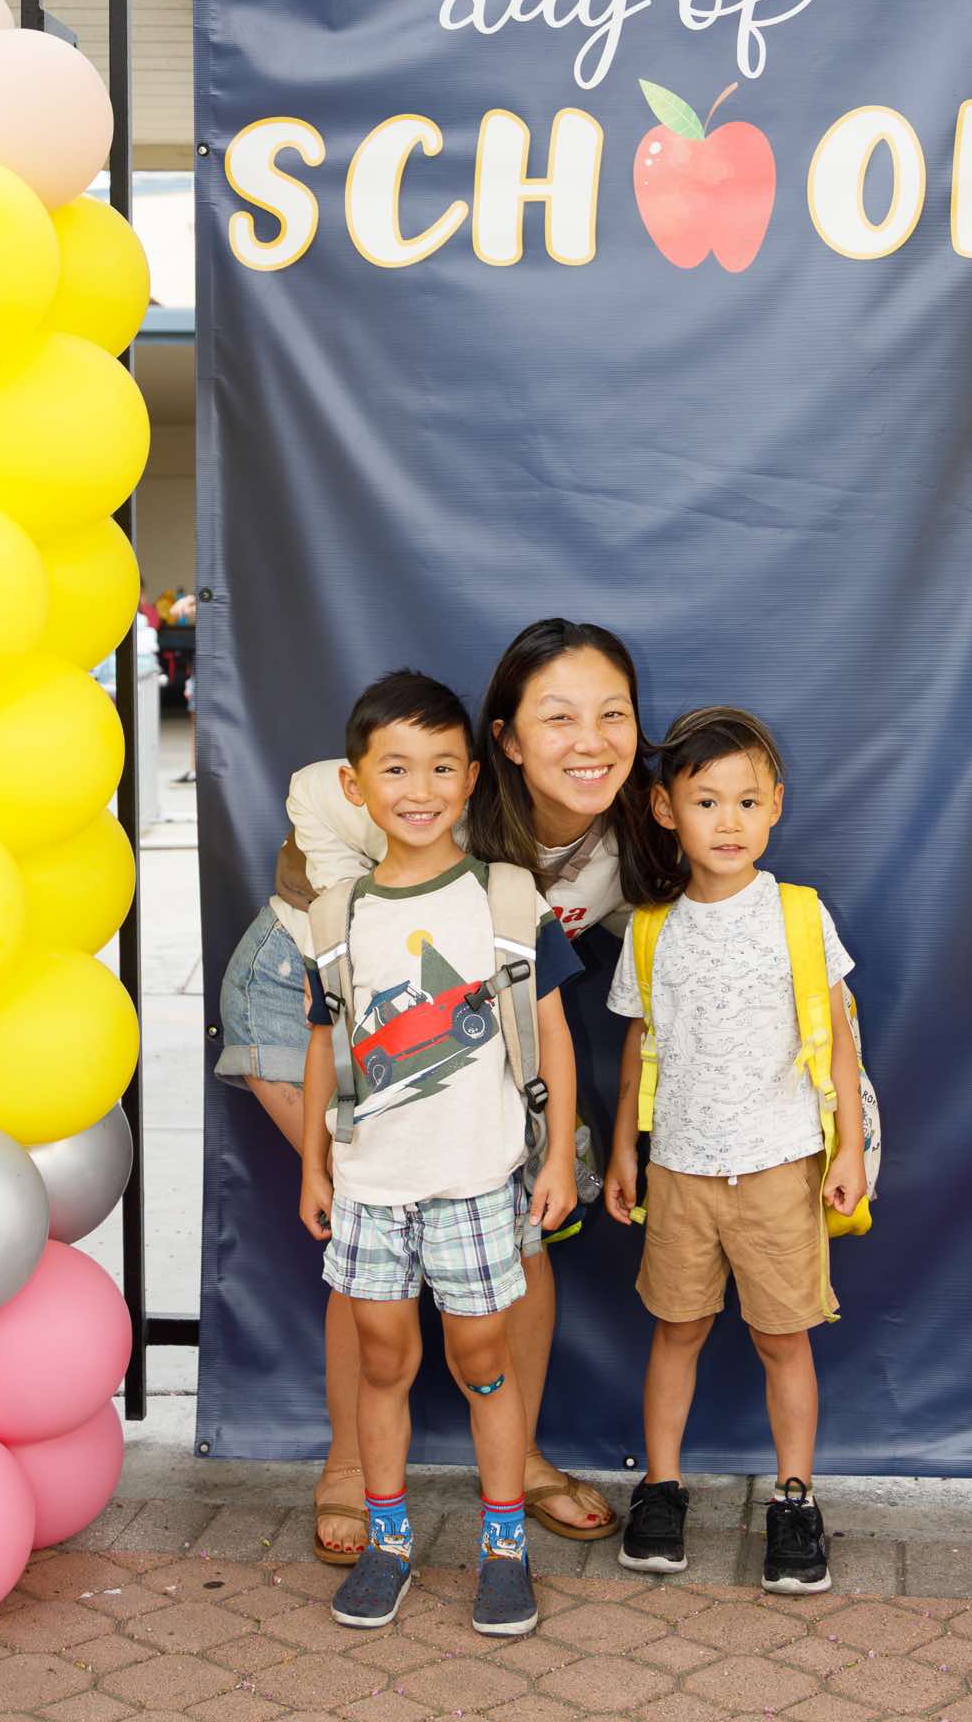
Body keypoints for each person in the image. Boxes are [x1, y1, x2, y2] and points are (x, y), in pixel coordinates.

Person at [216, 617, 674, 1558]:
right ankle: (349, 1467)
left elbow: (649, 946)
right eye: (557, 717)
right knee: (370, 1213)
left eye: (612, 715)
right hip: (309, 1001)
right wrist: (354, 920)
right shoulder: (435, 797)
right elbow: (314, 793)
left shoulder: (623, 844)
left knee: (522, 1235)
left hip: (466, 1033)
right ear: (504, 740)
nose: (589, 741)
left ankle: (523, 1458)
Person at [298, 669, 579, 1637]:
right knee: (382, 1362)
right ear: (354, 783)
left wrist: (557, 1158)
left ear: (471, 778)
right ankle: (388, 1541)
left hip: (475, 1184)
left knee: (482, 1359)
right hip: (370, 1188)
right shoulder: (337, 914)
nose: (418, 789)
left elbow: (552, 1035)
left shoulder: (507, 899)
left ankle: (503, 1547)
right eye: (395, 768)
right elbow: (324, 1043)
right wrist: (313, 1164)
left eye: (441, 767)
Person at [603, 706, 867, 1595]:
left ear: (775, 806)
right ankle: (660, 1488)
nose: (729, 822)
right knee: (675, 1329)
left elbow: (839, 1036)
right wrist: (623, 1153)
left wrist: (848, 1150)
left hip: (780, 1167)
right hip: (678, 1169)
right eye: (706, 801)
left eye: (747, 802)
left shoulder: (798, 914)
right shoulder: (651, 927)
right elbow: (639, 1049)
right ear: (665, 810)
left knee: (782, 1338)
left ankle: (793, 1499)